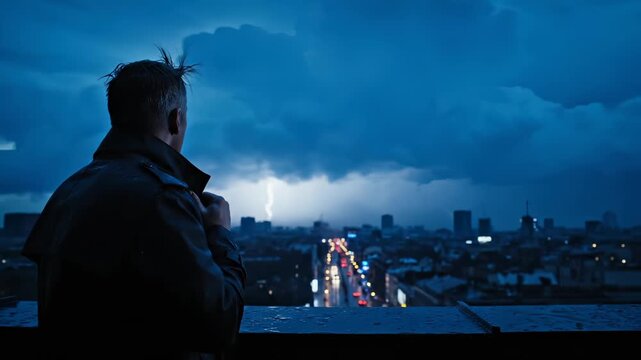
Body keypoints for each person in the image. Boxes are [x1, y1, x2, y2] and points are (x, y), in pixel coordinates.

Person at [21, 49, 245, 359]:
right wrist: (220, 233)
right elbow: (220, 325)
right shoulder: (164, 199)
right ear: (176, 119)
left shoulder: (69, 190)